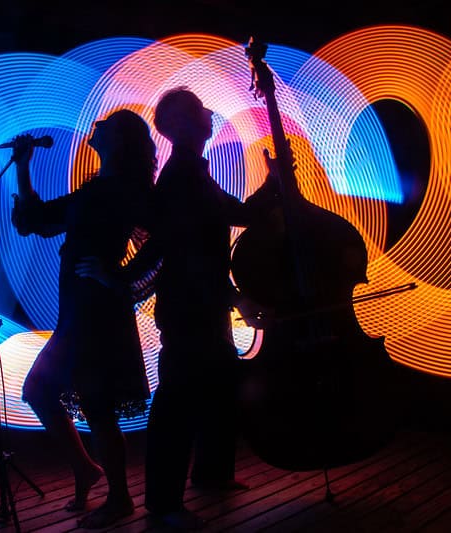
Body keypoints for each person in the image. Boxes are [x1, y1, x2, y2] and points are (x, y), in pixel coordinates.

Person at [134, 87, 277, 530]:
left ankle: (212, 474)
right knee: (178, 403)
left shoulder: (193, 173)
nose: (208, 115)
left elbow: (238, 215)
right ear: (180, 125)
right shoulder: (182, 179)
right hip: (190, 307)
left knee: (217, 389)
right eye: (199, 110)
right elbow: (192, 257)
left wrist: (273, 183)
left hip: (202, 304)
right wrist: (236, 298)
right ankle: (164, 504)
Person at [10, 109, 156, 529]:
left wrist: (117, 278)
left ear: (121, 141)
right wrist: (23, 167)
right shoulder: (95, 189)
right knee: (43, 391)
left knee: (96, 404)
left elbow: (160, 248)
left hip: (99, 312)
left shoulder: (126, 191)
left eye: (105, 126)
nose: (96, 126)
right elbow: (37, 222)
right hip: (77, 310)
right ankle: (88, 471)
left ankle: (120, 499)